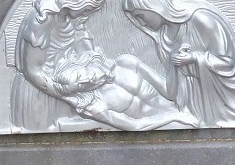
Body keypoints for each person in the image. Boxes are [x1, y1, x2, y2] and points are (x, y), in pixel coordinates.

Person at [122, 0, 235, 127]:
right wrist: (139, 68)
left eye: (141, 16)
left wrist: (194, 57)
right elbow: (172, 92)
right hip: (189, 110)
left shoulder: (202, 20)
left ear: (154, 6)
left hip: (217, 106)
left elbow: (229, 65)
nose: (142, 23)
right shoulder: (163, 37)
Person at [11, 0, 107, 131]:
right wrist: (68, 96)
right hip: (40, 92)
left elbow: (84, 47)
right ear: (76, 1)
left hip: (67, 87)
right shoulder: (43, 18)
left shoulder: (73, 17)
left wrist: (95, 66)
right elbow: (32, 71)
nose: (87, 14)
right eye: (86, 9)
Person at [51, 50, 199, 131]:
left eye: (79, 76)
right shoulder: (95, 106)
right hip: (162, 126)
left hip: (182, 111)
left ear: (82, 64)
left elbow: (169, 92)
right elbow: (134, 126)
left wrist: (175, 65)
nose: (86, 81)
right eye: (79, 86)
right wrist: (174, 118)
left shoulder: (126, 62)